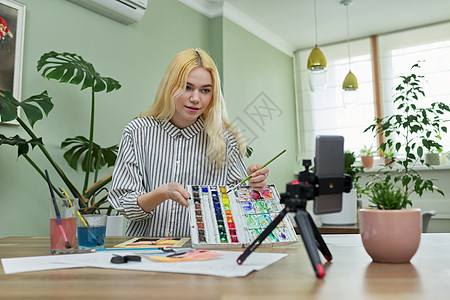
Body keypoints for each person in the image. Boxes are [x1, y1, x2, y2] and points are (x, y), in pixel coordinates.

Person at [108, 48, 269, 237]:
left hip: (205, 256)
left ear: (213, 95)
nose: (195, 98)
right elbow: (123, 203)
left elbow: (241, 208)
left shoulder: (226, 142)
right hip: (145, 255)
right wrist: (162, 194)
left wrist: (252, 185)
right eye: (187, 87)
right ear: (170, 86)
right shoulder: (137, 132)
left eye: (205, 90)